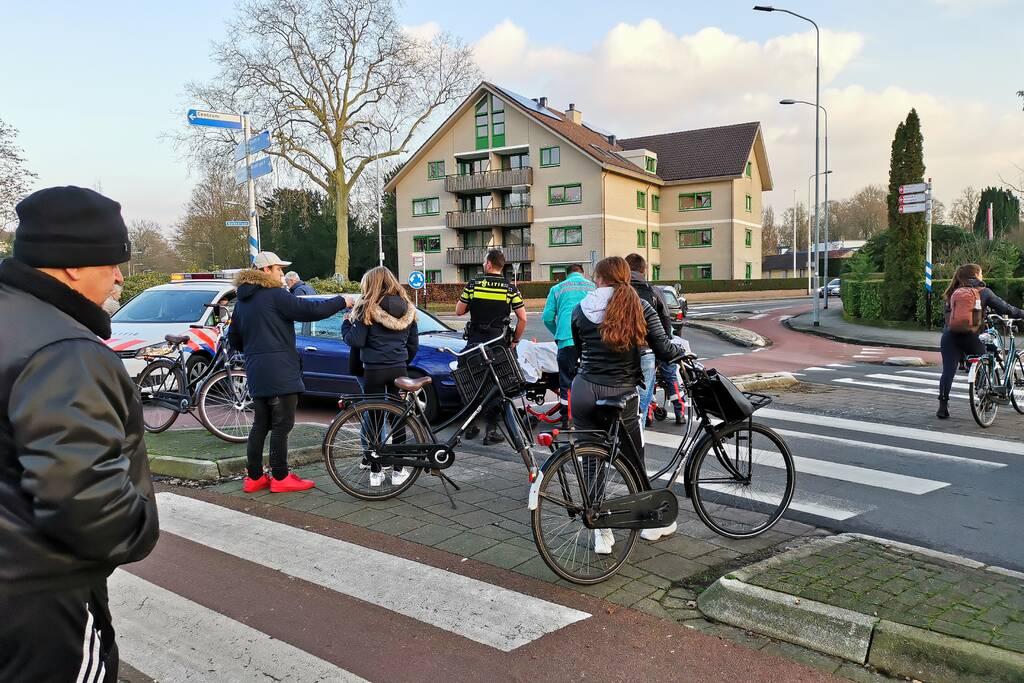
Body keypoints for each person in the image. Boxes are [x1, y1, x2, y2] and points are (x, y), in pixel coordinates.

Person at [0, 186, 160, 682]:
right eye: (113, 262)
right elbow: (80, 496)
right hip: (41, 595)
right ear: (72, 264)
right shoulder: (65, 348)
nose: (118, 277)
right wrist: (138, 532)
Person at [571, 256, 679, 554]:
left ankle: (600, 532)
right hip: (620, 395)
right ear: (625, 277)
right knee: (633, 458)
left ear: (601, 278)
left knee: (591, 461)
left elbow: (579, 350)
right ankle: (650, 521)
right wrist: (681, 352)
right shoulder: (639, 306)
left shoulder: (581, 308)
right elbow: (664, 349)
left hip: (583, 390)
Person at [229, 252, 352, 492]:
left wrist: (257, 349)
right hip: (281, 370)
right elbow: (309, 311)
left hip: (256, 369)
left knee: (261, 424)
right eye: (279, 269)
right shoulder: (275, 295)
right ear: (266, 270)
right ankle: (281, 477)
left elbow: (234, 339)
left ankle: (254, 478)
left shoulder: (241, 301)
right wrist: (341, 301)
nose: (282, 274)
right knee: (282, 425)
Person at [342, 266, 419, 487]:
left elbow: (356, 341)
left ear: (371, 284)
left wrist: (345, 324)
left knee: (375, 418)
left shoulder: (366, 307)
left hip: (373, 370)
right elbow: (413, 344)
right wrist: (402, 360)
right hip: (398, 369)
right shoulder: (408, 308)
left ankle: (375, 473)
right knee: (398, 420)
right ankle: (398, 471)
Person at [456, 249, 528, 445]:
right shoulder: (509, 288)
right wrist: (515, 341)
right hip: (497, 345)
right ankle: (491, 431)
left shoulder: (473, 284)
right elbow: (523, 319)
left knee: (470, 383)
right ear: (501, 266)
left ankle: (470, 428)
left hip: (473, 344)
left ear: (488, 264)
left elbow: (459, 311)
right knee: (497, 385)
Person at [937, 263, 1024, 419]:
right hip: (972, 337)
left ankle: (942, 407)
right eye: (981, 273)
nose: (982, 276)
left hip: (950, 337)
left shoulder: (952, 292)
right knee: (984, 362)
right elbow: (1006, 309)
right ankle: (983, 395)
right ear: (976, 274)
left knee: (948, 371)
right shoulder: (984, 292)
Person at [541, 263, 595, 429]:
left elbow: (547, 317)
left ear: (567, 275)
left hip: (567, 341)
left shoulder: (557, 289)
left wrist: (559, 332)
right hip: (590, 341)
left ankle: (568, 420)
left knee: (566, 382)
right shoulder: (593, 287)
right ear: (582, 274)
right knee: (591, 381)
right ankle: (590, 418)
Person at [624, 253, 673, 427]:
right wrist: (663, 357)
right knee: (640, 411)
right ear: (644, 270)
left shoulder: (617, 292)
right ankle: (637, 447)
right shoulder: (654, 291)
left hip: (619, 356)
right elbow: (665, 326)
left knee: (621, 410)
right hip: (646, 353)